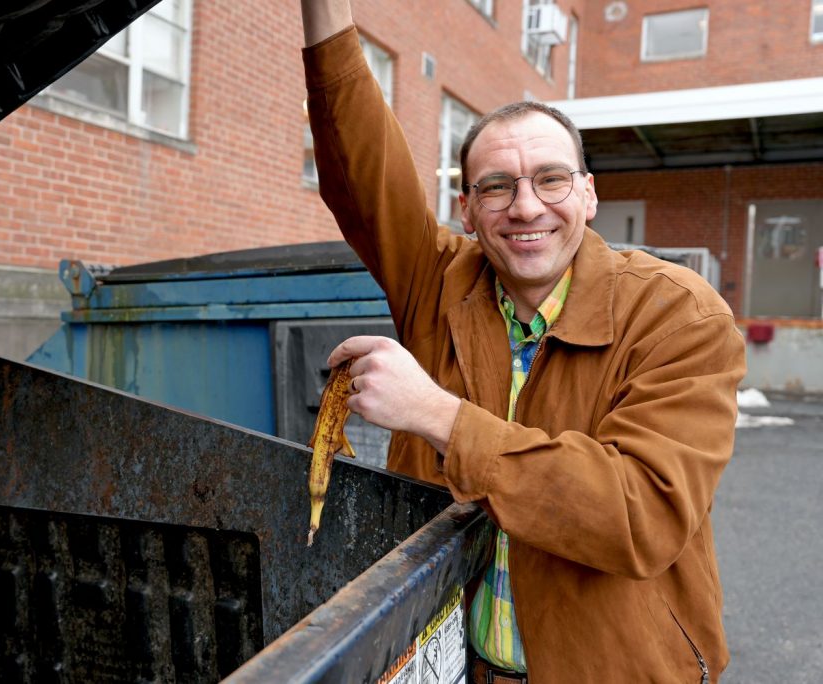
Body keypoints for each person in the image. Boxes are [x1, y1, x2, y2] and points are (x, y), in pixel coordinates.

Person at [299, 1, 746, 682]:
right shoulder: (440, 283)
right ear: (467, 209)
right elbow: (362, 169)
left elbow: (641, 513)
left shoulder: (678, 316)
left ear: (589, 194)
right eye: (497, 186)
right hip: (454, 664)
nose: (527, 206)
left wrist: (436, 415)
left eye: (551, 179)